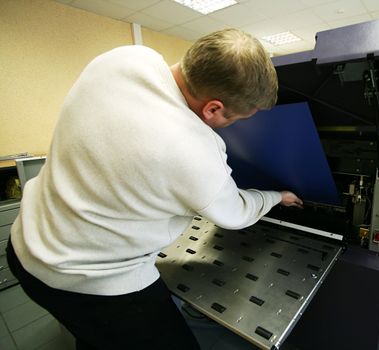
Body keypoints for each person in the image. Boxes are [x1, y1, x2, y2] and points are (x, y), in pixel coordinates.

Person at [7, 28, 303, 349]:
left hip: (24, 243)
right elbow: (235, 213)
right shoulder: (192, 149)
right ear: (213, 108)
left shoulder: (124, 57)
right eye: (237, 119)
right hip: (87, 280)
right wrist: (277, 196)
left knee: (94, 335)